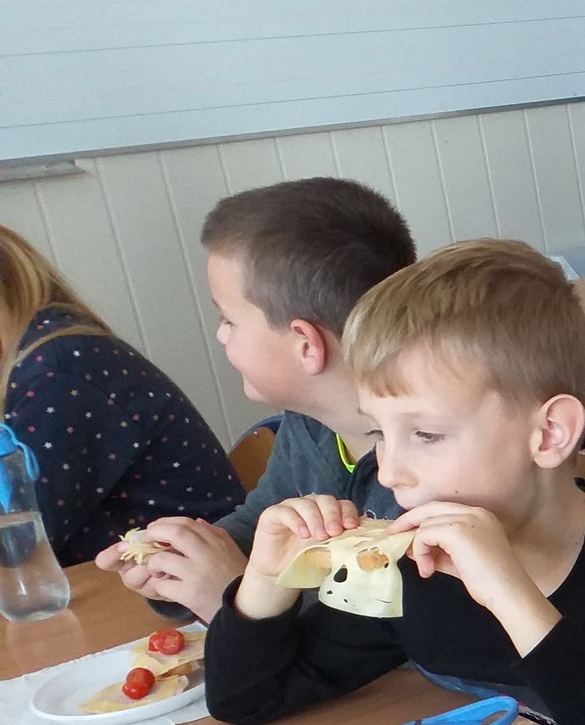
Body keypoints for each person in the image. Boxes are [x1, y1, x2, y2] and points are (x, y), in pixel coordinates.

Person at [205, 239, 585, 725]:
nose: (389, 472)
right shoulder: (414, 572)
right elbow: (245, 699)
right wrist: (266, 582)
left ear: (550, 434)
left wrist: (510, 595)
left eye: (425, 435)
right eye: (378, 434)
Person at [94, 177, 415, 620]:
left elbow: (374, 630)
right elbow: (258, 526)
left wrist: (232, 600)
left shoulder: (429, 464)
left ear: (306, 345)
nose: (220, 335)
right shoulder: (308, 423)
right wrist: (179, 562)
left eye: (229, 319)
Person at [0, 225, 240, 564]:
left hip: (189, 576)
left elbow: (18, 541)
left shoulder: (57, 370)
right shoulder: (44, 354)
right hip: (137, 572)